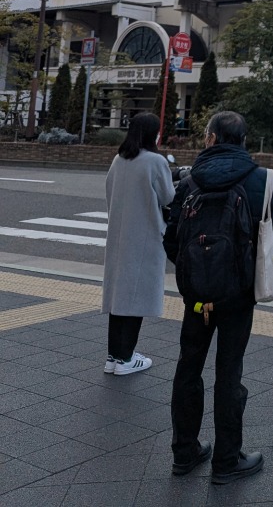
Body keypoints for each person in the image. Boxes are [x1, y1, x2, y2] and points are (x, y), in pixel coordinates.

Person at [164, 110, 273, 483]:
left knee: (188, 368)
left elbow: (172, 240)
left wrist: (198, 274)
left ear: (211, 138)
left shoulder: (188, 182)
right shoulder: (263, 181)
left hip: (197, 298)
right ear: (244, 140)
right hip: (238, 297)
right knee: (228, 373)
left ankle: (184, 453)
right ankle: (226, 461)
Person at [102, 112, 175, 376]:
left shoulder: (119, 159)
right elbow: (168, 197)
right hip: (146, 237)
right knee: (136, 297)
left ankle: (113, 356)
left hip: (119, 236)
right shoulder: (155, 161)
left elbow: (109, 193)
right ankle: (126, 358)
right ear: (153, 133)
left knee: (119, 296)